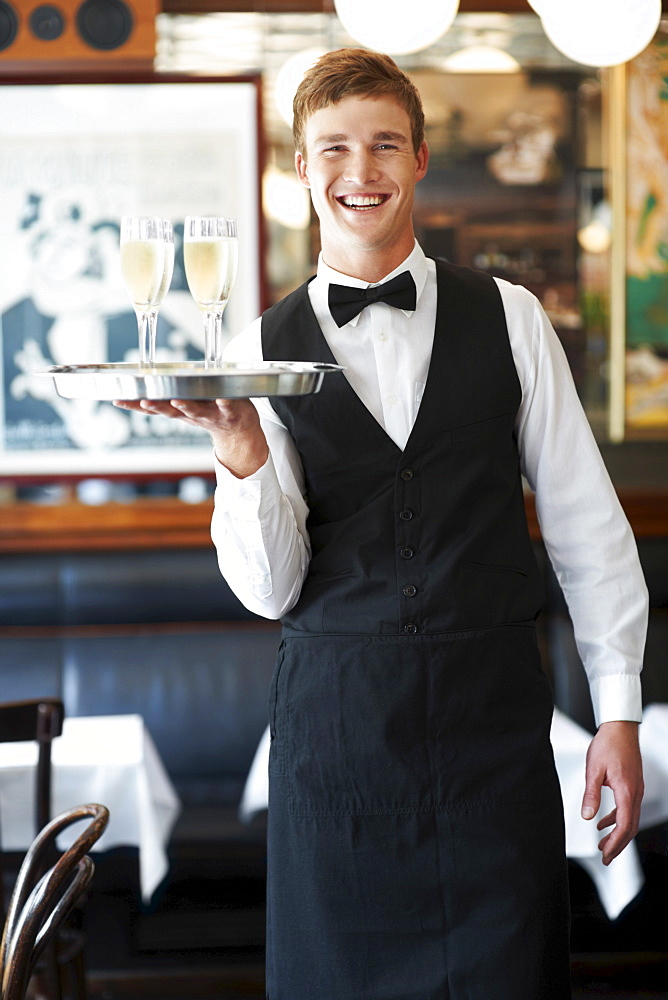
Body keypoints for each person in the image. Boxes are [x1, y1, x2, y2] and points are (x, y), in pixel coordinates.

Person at [115, 48, 647, 1000]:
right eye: (335, 150)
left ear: (421, 158)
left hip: (493, 732)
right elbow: (272, 590)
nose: (361, 172)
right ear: (303, 168)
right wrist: (240, 453)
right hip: (338, 742)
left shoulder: (513, 318)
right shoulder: (254, 352)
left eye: (384, 145)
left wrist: (616, 711)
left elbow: (587, 528)